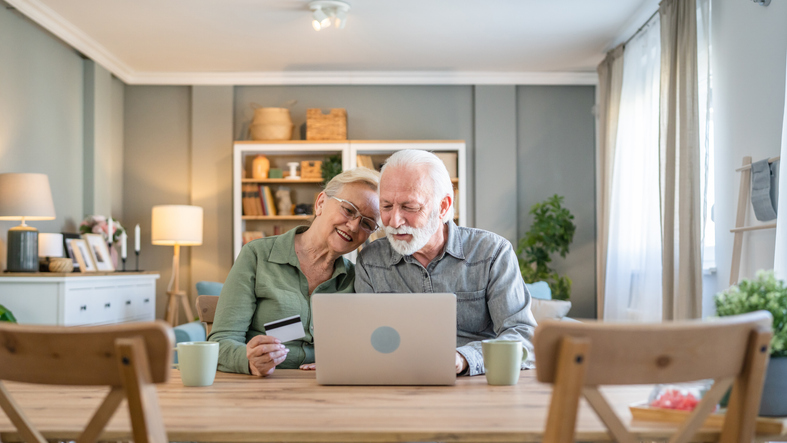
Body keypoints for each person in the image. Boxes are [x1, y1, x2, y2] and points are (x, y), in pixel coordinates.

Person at [355, 150, 537, 376]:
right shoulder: (370, 261)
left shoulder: (492, 253)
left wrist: (464, 358)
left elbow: (522, 335)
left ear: (442, 207)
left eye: (409, 207)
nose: (394, 221)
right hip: (397, 381)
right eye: (386, 206)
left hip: (477, 384)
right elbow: (365, 339)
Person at [209, 168, 381, 377]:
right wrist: (248, 359)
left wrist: (343, 361)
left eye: (367, 223)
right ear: (320, 203)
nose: (354, 226)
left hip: (324, 389)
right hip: (262, 387)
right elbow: (220, 342)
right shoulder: (257, 255)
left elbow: (365, 347)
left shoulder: (358, 279)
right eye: (348, 210)